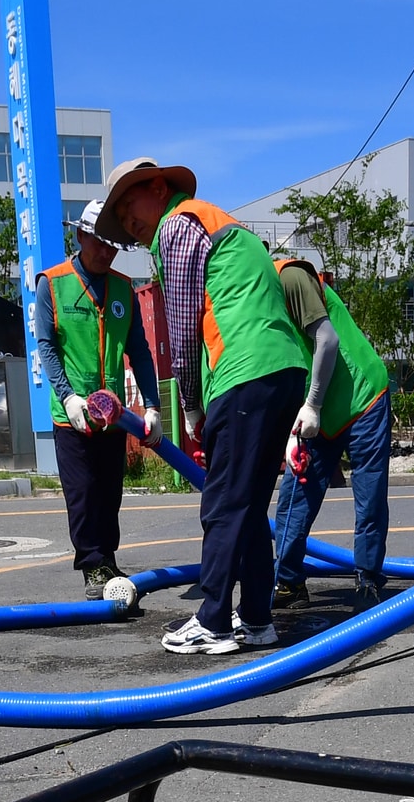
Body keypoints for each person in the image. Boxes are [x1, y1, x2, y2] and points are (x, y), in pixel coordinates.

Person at [97, 157, 308, 655]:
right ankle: (256, 619)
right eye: (124, 221)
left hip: (245, 373)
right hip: (282, 371)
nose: (132, 224)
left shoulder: (178, 225)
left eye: (132, 207)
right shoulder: (219, 222)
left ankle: (213, 618)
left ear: (156, 187)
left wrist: (190, 405)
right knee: (250, 506)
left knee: (222, 504)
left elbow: (186, 323)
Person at [36, 202, 163, 599]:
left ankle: (107, 560)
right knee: (84, 492)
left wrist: (153, 404)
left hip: (114, 416)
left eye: (113, 246)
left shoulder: (123, 287)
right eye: (100, 243)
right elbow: (47, 346)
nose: (106, 253)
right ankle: (92, 564)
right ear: (80, 236)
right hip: (71, 415)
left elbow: (139, 351)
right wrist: (69, 396)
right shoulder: (52, 284)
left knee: (110, 493)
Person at [270, 258, 392, 614]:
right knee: (294, 495)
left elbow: (328, 340)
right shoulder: (250, 304)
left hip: (361, 396)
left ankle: (368, 578)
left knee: (368, 496)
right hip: (316, 408)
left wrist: (310, 405)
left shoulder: (288, 277)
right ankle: (289, 581)